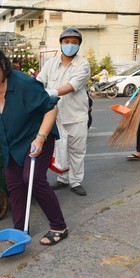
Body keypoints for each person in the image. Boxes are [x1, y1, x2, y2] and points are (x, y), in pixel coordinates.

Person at [0, 43, 69, 246]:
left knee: (33, 179)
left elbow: (50, 109)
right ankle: (19, 231)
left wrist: (40, 138)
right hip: (11, 143)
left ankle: (59, 226)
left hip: (35, 138)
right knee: (14, 184)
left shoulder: (24, 83)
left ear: (2, 64)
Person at [37, 27, 91, 196]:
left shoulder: (83, 64)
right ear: (61, 43)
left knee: (77, 150)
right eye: (66, 42)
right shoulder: (50, 63)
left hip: (77, 116)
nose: (70, 45)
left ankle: (75, 182)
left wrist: (52, 92)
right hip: (56, 116)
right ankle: (62, 178)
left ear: (79, 46)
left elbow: (73, 85)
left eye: (74, 43)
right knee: (60, 149)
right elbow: (39, 81)